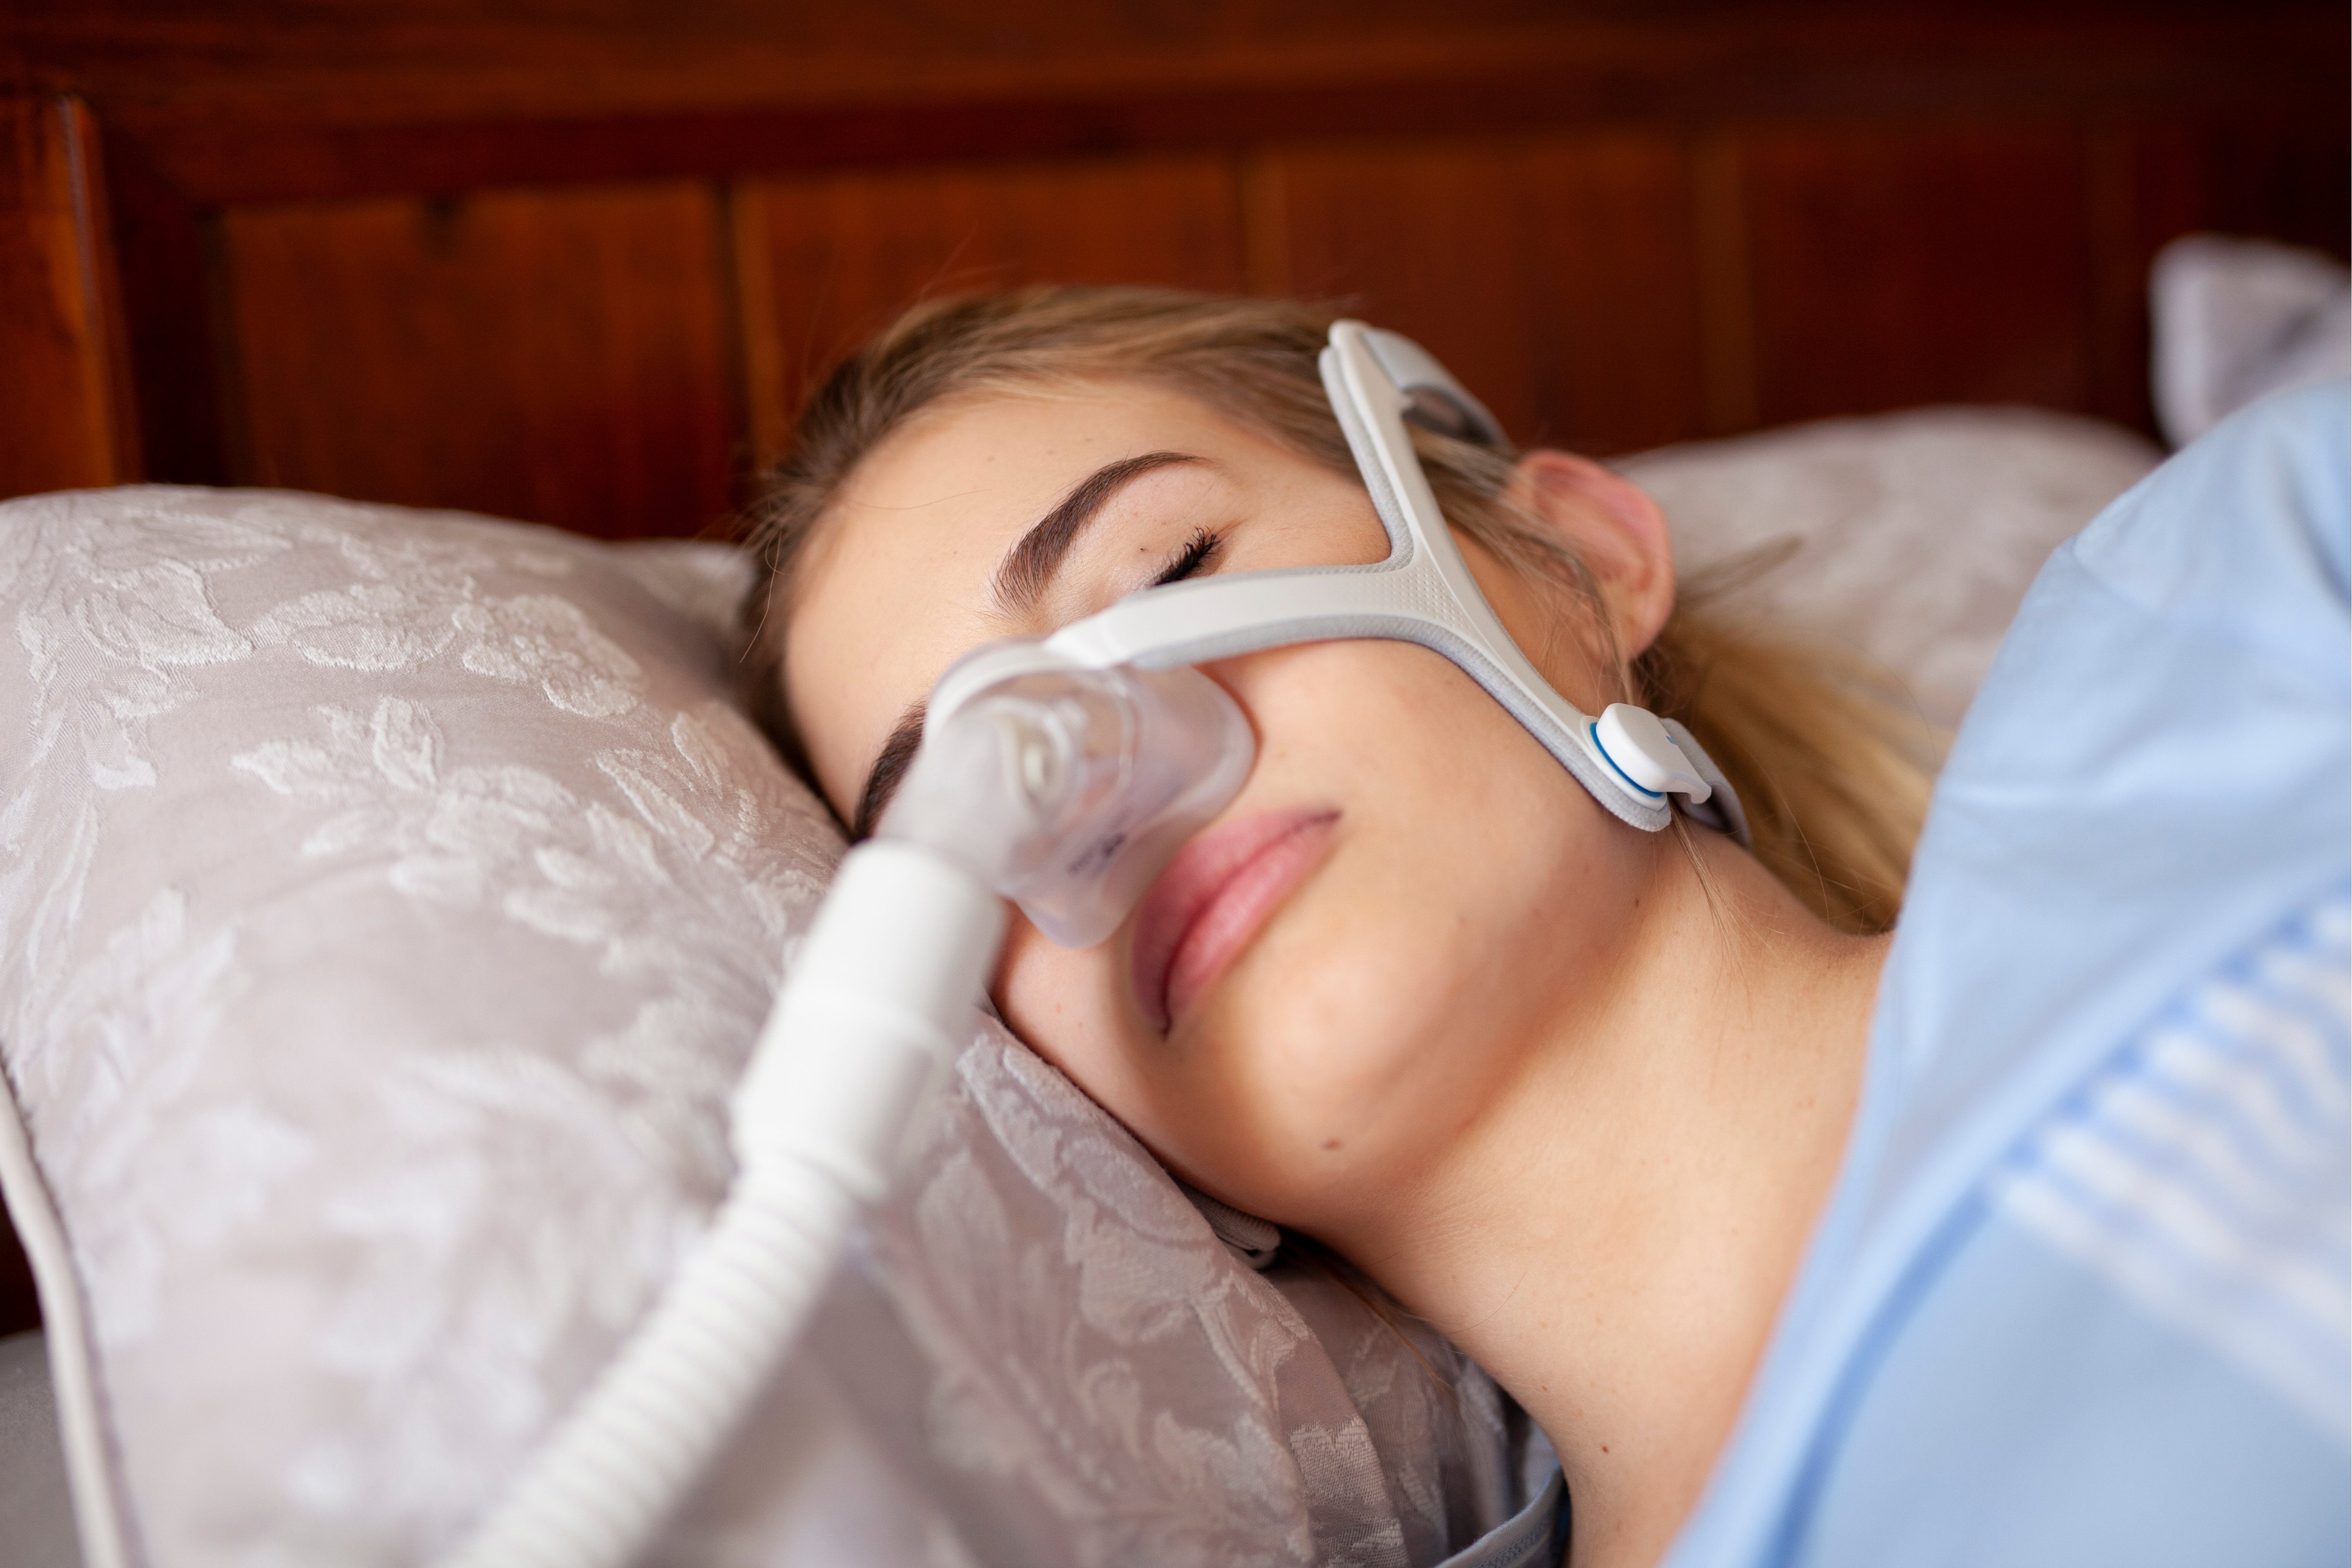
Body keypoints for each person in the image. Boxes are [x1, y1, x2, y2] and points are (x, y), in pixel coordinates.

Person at [738, 287, 2349, 1568]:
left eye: (1168, 564)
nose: (1106, 773)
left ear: (1572, 558)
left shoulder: (2235, 625)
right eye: (974, 796)